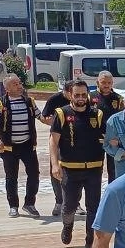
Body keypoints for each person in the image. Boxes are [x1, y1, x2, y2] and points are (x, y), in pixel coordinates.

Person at [49, 79, 106, 248]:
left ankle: (90, 240)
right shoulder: (62, 113)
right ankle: (68, 226)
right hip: (70, 168)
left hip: (94, 168)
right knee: (69, 206)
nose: (81, 98)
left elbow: (107, 138)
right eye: (77, 95)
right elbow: (53, 141)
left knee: (93, 207)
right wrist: (54, 165)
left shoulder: (97, 114)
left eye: (83, 94)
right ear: (70, 95)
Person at [0, 75, 41, 218]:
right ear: (7, 88)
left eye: (19, 83)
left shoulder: (29, 102)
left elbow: (41, 117)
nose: (19, 86)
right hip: (9, 148)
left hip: (28, 146)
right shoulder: (0, 103)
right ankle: (13, 206)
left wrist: (56, 121)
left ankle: (29, 204)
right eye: (15, 84)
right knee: (11, 177)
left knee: (34, 174)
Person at [39, 84, 73, 217]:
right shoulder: (54, 99)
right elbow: (43, 117)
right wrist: (55, 121)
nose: (75, 96)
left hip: (76, 139)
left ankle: (75, 203)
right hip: (58, 138)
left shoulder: (81, 99)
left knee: (76, 171)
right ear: (65, 91)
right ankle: (59, 201)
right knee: (56, 169)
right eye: (71, 93)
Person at [91, 71, 125, 185]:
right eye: (103, 82)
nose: (106, 85)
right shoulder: (90, 97)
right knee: (95, 169)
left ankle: (113, 190)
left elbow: (122, 119)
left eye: (109, 83)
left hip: (113, 139)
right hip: (95, 139)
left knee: (114, 168)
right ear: (97, 82)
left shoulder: (118, 99)